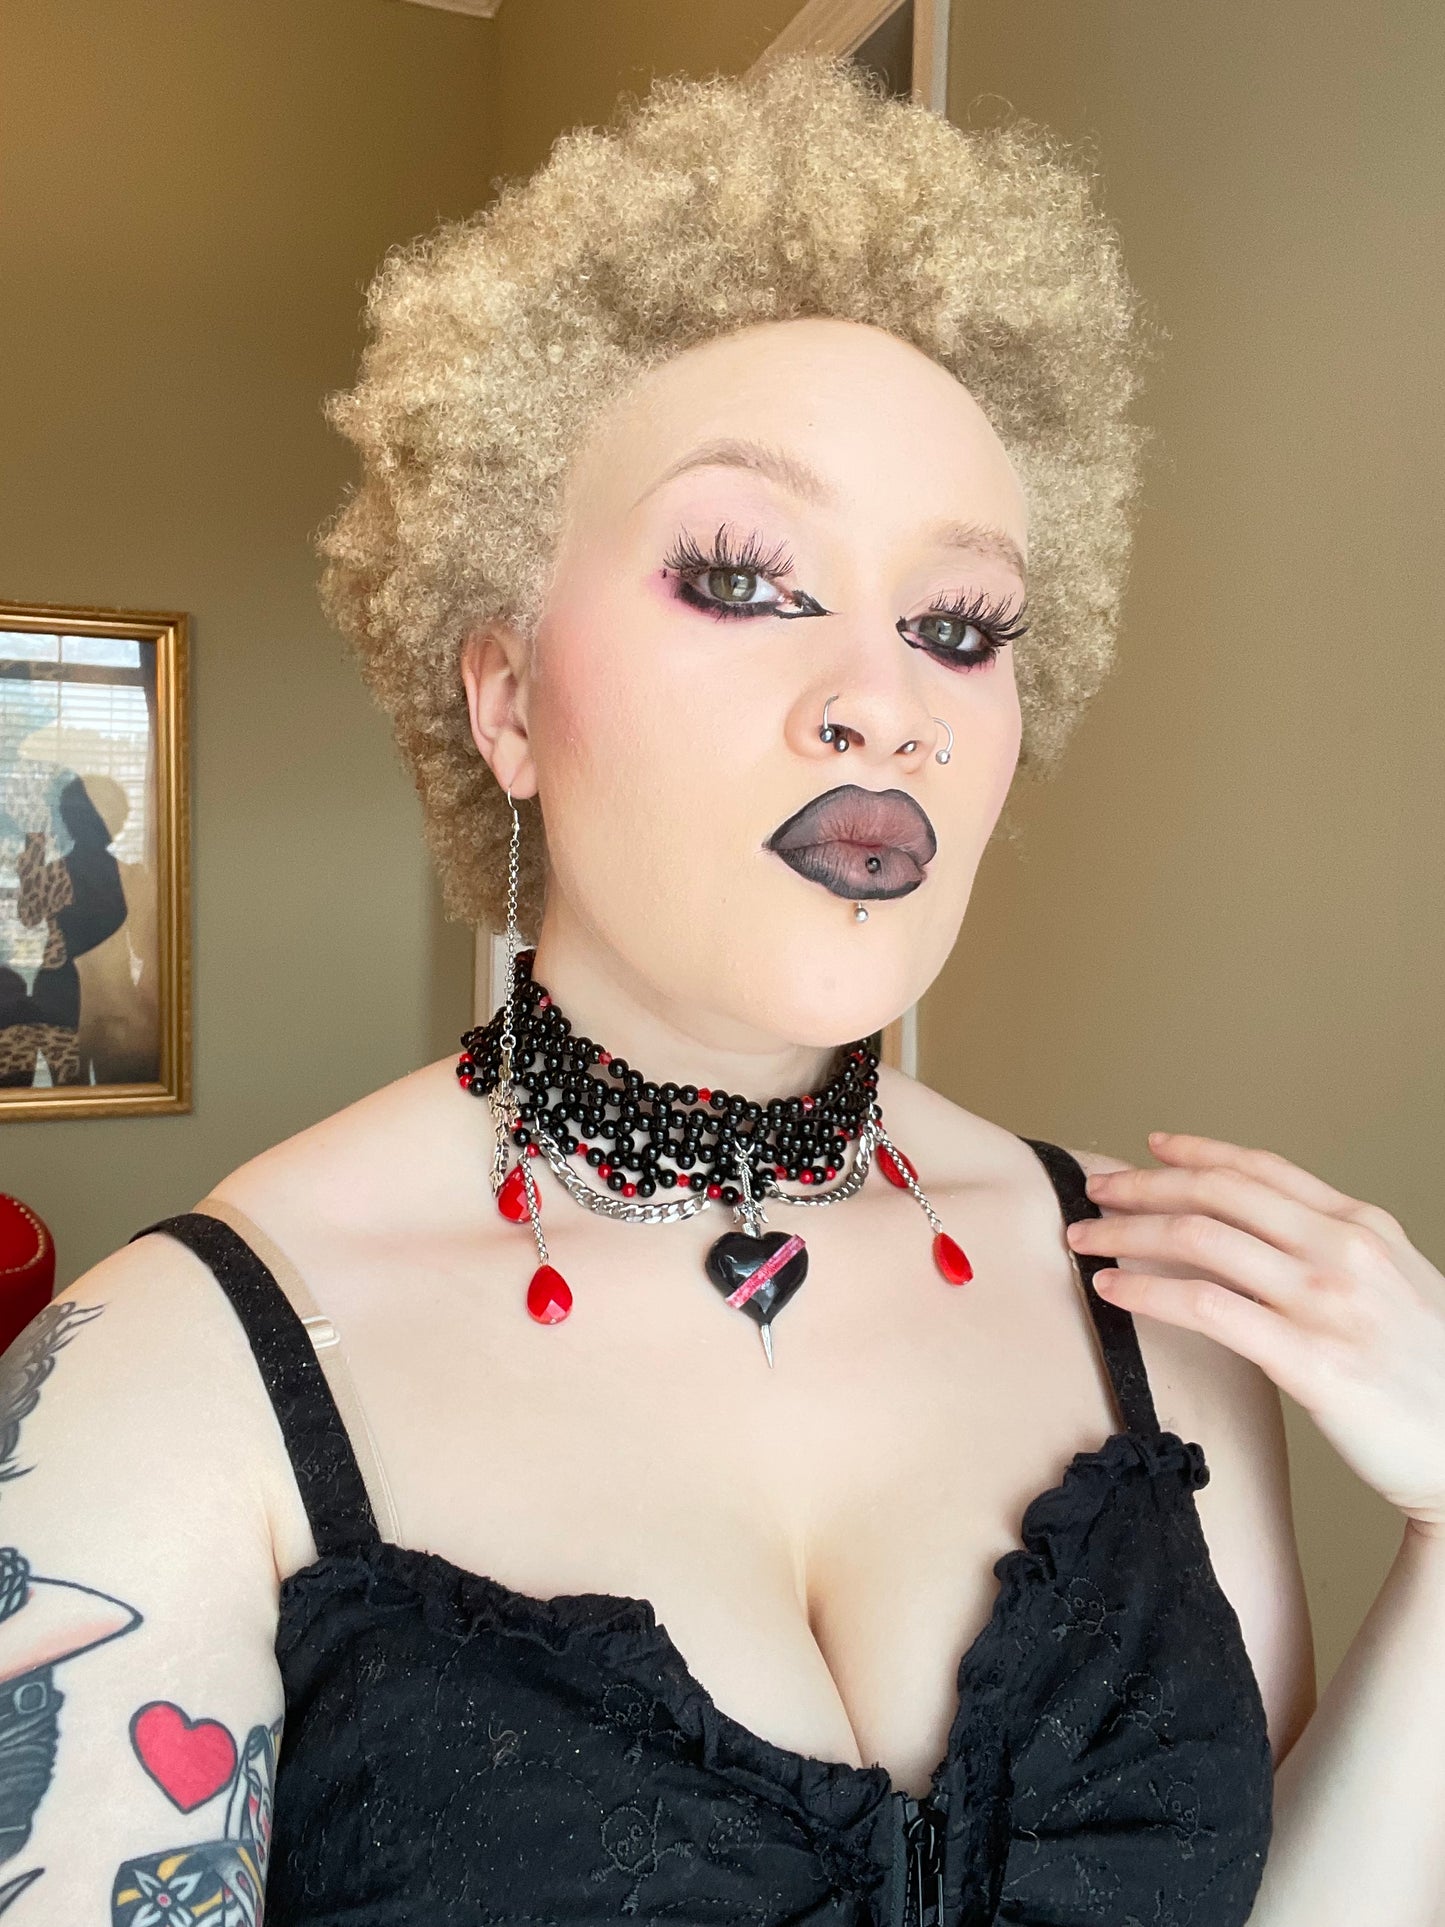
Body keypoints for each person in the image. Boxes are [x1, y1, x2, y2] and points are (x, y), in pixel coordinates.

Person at [15, 52, 1445, 1927]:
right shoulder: (171, 1387)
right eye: (747, 581)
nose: (882, 701)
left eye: (958, 625)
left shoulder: (1161, 1306)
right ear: (505, 699)